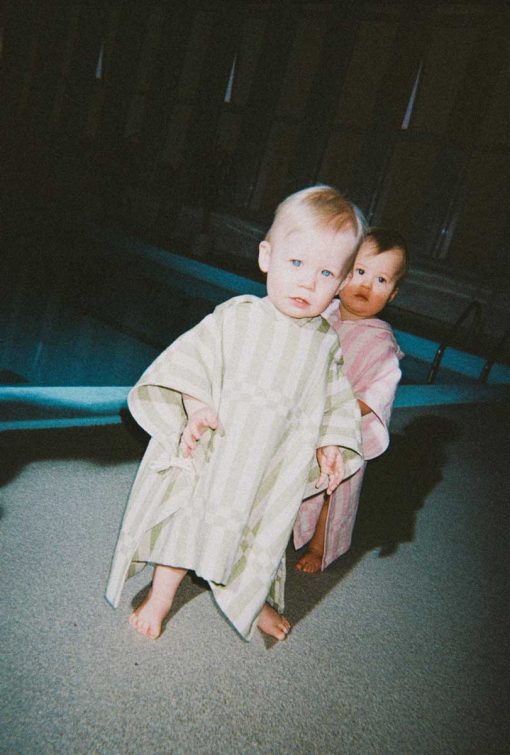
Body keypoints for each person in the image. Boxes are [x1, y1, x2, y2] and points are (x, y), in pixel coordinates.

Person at [105, 185, 364, 642]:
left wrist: (331, 444)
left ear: (341, 284)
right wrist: (196, 406)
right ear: (267, 256)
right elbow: (193, 361)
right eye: (296, 263)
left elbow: (334, 399)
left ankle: (252, 599)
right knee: (187, 523)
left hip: (269, 464)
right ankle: (162, 595)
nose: (307, 282)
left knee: (259, 534)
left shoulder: (325, 343)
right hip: (218, 451)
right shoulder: (237, 317)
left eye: (325, 272)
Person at [294, 228, 407, 573]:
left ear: (393, 293)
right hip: (303, 416)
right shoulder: (321, 313)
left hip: (346, 429)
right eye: (359, 271)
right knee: (289, 471)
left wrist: (336, 410)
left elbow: (376, 393)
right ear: (342, 273)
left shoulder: (381, 343)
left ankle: (320, 545)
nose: (366, 285)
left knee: (334, 489)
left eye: (381, 279)